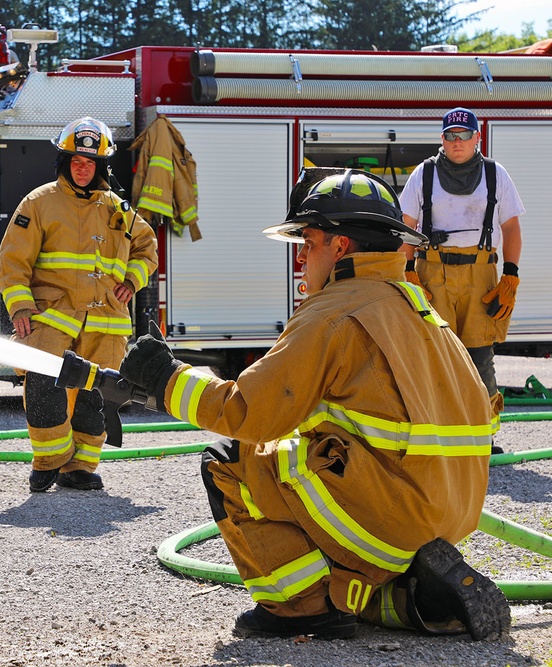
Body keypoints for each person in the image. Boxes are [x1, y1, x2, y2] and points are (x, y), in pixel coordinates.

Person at [118, 168, 510, 641]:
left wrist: (166, 380)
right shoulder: (419, 306)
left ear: (340, 247)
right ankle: (414, 595)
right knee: (307, 454)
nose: (301, 256)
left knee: (231, 461)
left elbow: (248, 412)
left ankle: (299, 608)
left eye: (308, 241)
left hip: (397, 515)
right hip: (453, 513)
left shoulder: (334, 311)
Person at [0, 117, 158, 493]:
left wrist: (132, 279)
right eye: (76, 161)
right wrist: (20, 306)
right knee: (42, 385)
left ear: (101, 166)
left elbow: (147, 249)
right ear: (64, 162)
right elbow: (12, 261)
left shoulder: (118, 208)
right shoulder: (39, 203)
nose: (82, 169)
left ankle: (81, 467)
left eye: (90, 163)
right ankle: (49, 461)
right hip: (53, 315)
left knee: (96, 394)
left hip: (105, 320)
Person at [399, 107, 524, 431]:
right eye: (451, 136)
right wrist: (407, 272)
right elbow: (406, 228)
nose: (458, 142)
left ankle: (484, 433)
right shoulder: (423, 175)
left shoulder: (496, 175)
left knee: (480, 357)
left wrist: (510, 275)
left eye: (465, 135)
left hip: (480, 278)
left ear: (476, 138)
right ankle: (436, 433)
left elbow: (511, 228)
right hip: (432, 276)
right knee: (434, 356)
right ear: (442, 139)